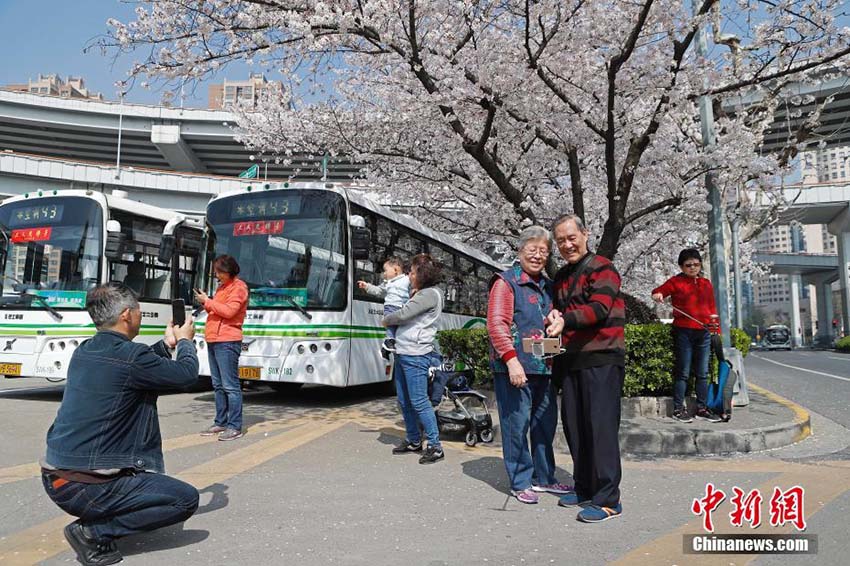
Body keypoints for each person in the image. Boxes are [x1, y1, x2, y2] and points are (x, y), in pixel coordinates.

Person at [41, 283, 199, 566]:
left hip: (57, 479)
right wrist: (186, 341)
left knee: (152, 489)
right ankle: (93, 532)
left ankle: (100, 515)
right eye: (139, 310)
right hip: (86, 486)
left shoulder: (86, 350)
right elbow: (186, 375)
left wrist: (166, 346)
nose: (140, 315)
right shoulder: (131, 357)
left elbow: (129, 367)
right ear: (127, 314)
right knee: (184, 499)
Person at [548, 214, 625, 523]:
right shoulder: (562, 277)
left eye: (571, 237)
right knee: (576, 428)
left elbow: (599, 308)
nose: (567, 245)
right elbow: (559, 316)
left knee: (601, 429)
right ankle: (584, 487)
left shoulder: (603, 268)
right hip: (572, 360)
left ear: (585, 234)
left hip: (603, 358)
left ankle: (609, 500)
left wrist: (565, 319)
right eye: (561, 241)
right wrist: (554, 319)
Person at [487, 226, 570, 504]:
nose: (537, 256)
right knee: (516, 425)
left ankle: (544, 477)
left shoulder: (547, 285)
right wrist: (512, 363)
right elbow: (497, 325)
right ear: (520, 251)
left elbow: (546, 316)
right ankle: (520, 480)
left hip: (543, 365)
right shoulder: (506, 282)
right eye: (532, 250)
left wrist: (554, 317)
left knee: (545, 424)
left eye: (543, 252)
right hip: (515, 366)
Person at [383, 253, 446, 464]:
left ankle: (435, 446)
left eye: (412, 272)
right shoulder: (422, 292)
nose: (409, 275)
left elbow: (402, 315)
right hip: (404, 352)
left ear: (423, 273)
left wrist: (386, 320)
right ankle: (413, 439)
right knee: (404, 401)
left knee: (419, 401)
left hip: (416, 354)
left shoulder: (429, 294)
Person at [651, 248, 723, 424]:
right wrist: (658, 295)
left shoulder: (706, 283)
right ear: (681, 267)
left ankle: (702, 408)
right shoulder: (676, 282)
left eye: (696, 264)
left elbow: (712, 309)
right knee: (683, 372)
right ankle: (678, 408)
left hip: (704, 332)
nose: (693, 268)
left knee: (702, 373)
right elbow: (658, 291)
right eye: (688, 265)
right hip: (684, 331)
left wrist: (716, 330)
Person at [194, 255, 249, 441]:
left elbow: (229, 312)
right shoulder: (222, 287)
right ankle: (221, 421)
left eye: (219, 272)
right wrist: (206, 302)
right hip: (214, 338)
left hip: (227, 340)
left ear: (229, 271)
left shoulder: (239, 287)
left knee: (230, 386)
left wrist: (208, 301)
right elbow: (217, 310)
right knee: (218, 385)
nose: (216, 275)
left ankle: (234, 426)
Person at [357, 256, 410, 356]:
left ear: (396, 270)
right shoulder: (387, 283)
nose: (384, 274)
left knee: (398, 327)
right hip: (390, 307)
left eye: (385, 271)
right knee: (391, 324)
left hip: (402, 308)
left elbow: (414, 287)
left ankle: (388, 346)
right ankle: (389, 341)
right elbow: (378, 291)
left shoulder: (406, 279)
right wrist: (367, 286)